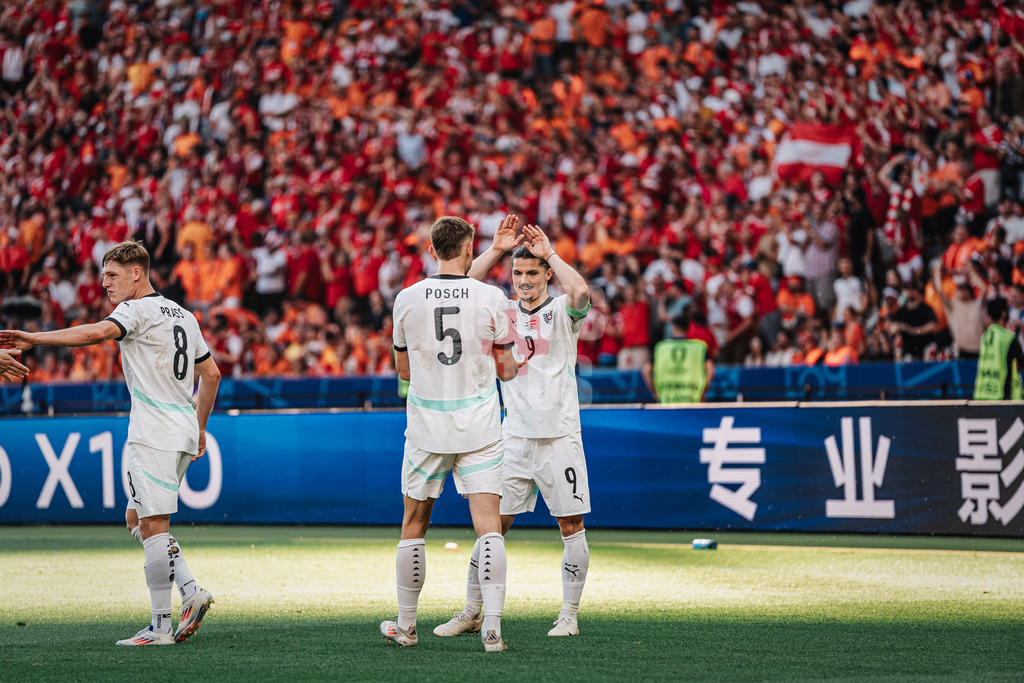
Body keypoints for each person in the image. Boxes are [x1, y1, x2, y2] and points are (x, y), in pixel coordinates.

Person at [0, 240, 221, 646]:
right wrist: (200, 427)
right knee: (135, 519)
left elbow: (99, 332)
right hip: (182, 431)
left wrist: (36, 339)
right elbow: (212, 376)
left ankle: (158, 627)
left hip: (152, 433)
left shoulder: (134, 310)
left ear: (138, 273)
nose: (105, 283)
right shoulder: (186, 315)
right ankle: (191, 591)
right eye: (103, 276)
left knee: (153, 527)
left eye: (112, 275)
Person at [436, 215, 593, 639]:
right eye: (518, 273)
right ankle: (471, 612)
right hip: (514, 439)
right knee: (494, 527)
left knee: (570, 525)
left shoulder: (562, 311)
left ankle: (569, 614)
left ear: (545, 275)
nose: (524, 280)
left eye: (532, 272)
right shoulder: (500, 311)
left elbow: (580, 290)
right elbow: (460, 282)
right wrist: (498, 250)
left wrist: (552, 254)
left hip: (559, 436)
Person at [381, 216, 520, 653]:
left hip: (426, 428)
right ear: (468, 249)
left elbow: (403, 372)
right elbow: (507, 368)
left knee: (414, 525)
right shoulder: (492, 297)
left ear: (430, 250)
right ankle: (492, 629)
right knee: (488, 528)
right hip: (479, 427)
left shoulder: (406, 299)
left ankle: (406, 627)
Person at [643, 313, 715, 403]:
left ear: (674, 328)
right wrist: (703, 391)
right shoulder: (698, 347)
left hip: (667, 401)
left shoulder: (662, 348)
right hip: (693, 401)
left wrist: (655, 392)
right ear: (688, 328)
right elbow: (710, 369)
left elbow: (646, 370)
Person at [973, 297, 1024, 400]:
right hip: (1002, 392)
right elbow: (1021, 362)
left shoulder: (986, 336)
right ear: (1003, 313)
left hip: (983, 391)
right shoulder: (1008, 337)